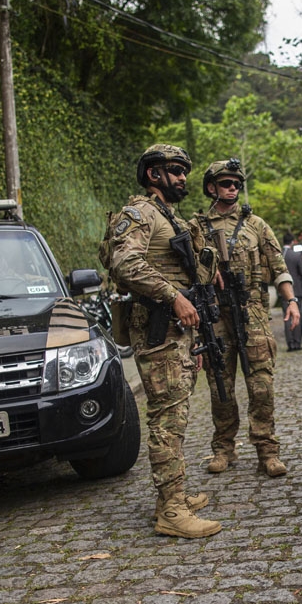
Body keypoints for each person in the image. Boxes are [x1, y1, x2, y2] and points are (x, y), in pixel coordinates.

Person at [104, 144, 221, 538]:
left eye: (185, 170)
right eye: (175, 170)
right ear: (153, 174)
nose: (183, 177)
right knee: (167, 420)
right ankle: (171, 512)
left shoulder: (168, 216)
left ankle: (173, 495)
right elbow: (125, 262)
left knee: (178, 415)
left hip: (177, 331)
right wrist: (174, 297)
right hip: (156, 326)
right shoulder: (140, 214)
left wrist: (195, 336)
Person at [196, 159, 300, 478]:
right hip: (215, 314)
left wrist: (291, 301)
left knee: (261, 385)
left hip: (252, 311)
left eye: (236, 184)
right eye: (226, 183)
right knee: (220, 387)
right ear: (212, 187)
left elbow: (278, 264)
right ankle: (223, 448)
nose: (232, 188)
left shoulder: (256, 224)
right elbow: (189, 273)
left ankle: (267, 450)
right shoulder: (197, 227)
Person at [282, 232, 302, 351]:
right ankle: (297, 342)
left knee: (286, 317)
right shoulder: (296, 256)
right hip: (296, 290)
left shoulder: (279, 255)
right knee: (297, 315)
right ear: (292, 242)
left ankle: (290, 344)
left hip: (282, 290)